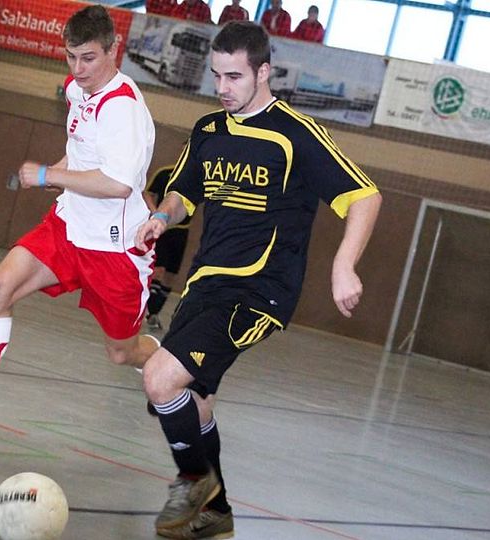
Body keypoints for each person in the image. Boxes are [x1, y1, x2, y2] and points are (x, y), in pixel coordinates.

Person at [135, 21, 381, 538]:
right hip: (204, 285)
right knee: (195, 402)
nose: (222, 88)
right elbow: (183, 194)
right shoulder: (208, 131)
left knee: (160, 379)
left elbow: (365, 196)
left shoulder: (295, 135)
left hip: (258, 290)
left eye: (234, 77)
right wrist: (161, 217)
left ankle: (193, 481)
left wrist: (344, 265)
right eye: (216, 76)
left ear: (263, 72)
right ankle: (217, 512)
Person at [0, 5, 158, 428]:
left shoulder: (123, 109)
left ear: (113, 50)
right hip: (66, 227)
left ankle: (172, 368)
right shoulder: (76, 89)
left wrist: (50, 174)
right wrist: (61, 172)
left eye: (89, 58)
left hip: (115, 248)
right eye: (71, 56)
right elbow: (81, 149)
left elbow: (118, 184)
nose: (78, 69)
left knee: (122, 352)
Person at [143, 163, 192, 333]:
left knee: (170, 275)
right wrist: (157, 213)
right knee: (158, 270)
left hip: (181, 231)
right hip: (163, 227)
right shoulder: (164, 172)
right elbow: (148, 193)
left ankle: (154, 312)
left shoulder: (196, 174)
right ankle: (148, 311)